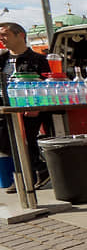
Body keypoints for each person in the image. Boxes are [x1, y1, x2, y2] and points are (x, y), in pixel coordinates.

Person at [0, 23, 52, 194]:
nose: (2, 39)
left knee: (25, 140)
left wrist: (36, 105)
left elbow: (47, 84)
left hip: (28, 107)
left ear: (20, 35)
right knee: (6, 143)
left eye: (5, 34)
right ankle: (28, 174)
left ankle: (32, 174)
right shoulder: (2, 59)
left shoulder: (38, 60)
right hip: (5, 107)